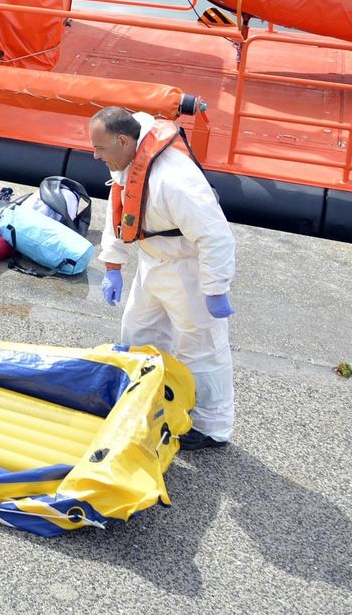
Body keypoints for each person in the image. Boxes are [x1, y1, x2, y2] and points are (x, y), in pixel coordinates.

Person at [89, 105, 236, 450]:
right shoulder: (127, 161)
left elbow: (215, 236)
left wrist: (215, 288)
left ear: (123, 141)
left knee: (200, 349)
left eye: (100, 149)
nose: (95, 156)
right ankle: (148, 400)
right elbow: (120, 209)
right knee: (139, 333)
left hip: (188, 268)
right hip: (153, 262)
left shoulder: (175, 180)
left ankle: (211, 427)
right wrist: (113, 265)